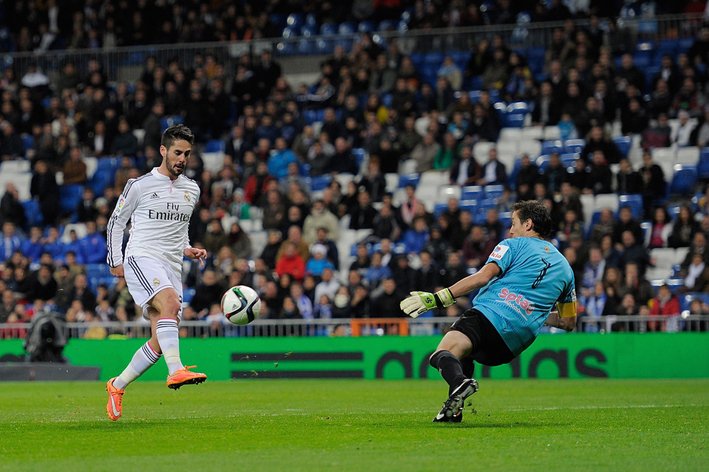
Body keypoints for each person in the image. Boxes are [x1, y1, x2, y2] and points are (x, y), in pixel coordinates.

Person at [400, 200, 576, 422]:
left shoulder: (513, 245)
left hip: (490, 316)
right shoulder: (566, 270)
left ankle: (459, 384)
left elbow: (482, 277)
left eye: (514, 223)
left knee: (442, 353)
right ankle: (452, 410)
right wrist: (534, 313)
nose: (511, 230)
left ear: (528, 224)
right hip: (510, 346)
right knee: (465, 357)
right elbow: (568, 322)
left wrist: (438, 298)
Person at [104, 124, 208, 422]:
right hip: (142, 256)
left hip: (171, 264)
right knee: (171, 304)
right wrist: (116, 260)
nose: (182, 158)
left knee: (160, 340)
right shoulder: (139, 185)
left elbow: (180, 229)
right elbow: (116, 222)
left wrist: (188, 248)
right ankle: (177, 370)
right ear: (163, 151)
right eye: (177, 152)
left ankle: (117, 385)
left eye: (187, 153)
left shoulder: (192, 189)